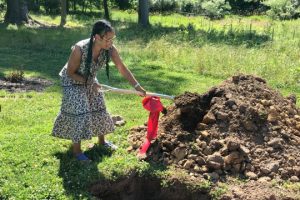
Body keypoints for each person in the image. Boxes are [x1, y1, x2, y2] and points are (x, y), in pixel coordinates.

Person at [52, 19, 146, 161]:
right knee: (80, 109)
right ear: (97, 37)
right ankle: (77, 152)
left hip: (89, 79)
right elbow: (71, 72)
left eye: (112, 39)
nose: (110, 42)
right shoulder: (80, 48)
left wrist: (137, 86)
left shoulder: (110, 50)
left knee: (98, 105)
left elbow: (121, 68)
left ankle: (102, 142)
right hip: (72, 80)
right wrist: (90, 82)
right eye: (107, 39)